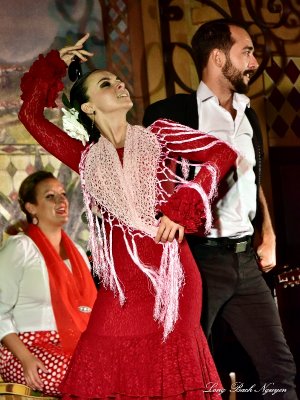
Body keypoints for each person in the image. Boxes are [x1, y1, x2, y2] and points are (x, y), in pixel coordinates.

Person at [17, 33, 237, 399]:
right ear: (88, 108)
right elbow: (30, 116)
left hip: (172, 282)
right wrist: (55, 62)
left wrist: (182, 207)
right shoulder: (86, 159)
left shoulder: (160, 135)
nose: (119, 85)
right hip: (120, 290)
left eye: (119, 81)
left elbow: (221, 154)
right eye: (106, 83)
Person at [143, 18, 297, 399]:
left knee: (279, 367)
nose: (254, 61)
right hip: (198, 260)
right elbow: (151, 181)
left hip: (245, 259)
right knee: (192, 368)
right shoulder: (173, 113)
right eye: (246, 51)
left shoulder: (249, 115)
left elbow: (252, 178)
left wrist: (269, 232)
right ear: (217, 56)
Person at [0, 171, 97, 397]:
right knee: (83, 375)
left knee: (123, 368)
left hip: (75, 345)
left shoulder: (79, 255)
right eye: (50, 196)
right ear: (31, 208)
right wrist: (25, 358)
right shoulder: (20, 249)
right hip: (25, 349)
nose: (61, 200)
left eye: (63, 195)